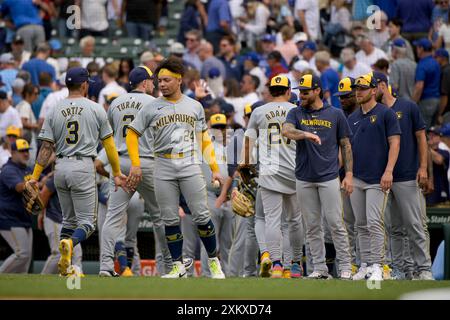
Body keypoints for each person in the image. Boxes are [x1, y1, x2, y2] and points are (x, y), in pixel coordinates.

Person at [125, 57, 225, 279]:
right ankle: (177, 266)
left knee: (201, 215)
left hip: (189, 162)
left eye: (166, 80)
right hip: (162, 163)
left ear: (179, 80)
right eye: (159, 80)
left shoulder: (194, 105)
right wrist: (135, 163)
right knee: (169, 218)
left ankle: (214, 261)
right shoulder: (151, 106)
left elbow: (204, 139)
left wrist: (215, 168)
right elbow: (132, 133)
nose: (161, 84)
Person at [27, 67, 127, 277]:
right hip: (83, 166)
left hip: (60, 169)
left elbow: (46, 147)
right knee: (88, 224)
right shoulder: (95, 108)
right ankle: (70, 244)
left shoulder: (54, 109)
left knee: (69, 221)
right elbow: (109, 146)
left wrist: (35, 177)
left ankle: (66, 266)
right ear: (84, 85)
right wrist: (116, 172)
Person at [99, 66, 174, 277]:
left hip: (122, 161)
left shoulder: (115, 103)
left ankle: (105, 266)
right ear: (144, 83)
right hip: (146, 163)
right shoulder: (154, 102)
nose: (154, 83)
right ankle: (169, 267)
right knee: (160, 216)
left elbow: (110, 138)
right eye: (151, 80)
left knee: (113, 217)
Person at [282, 74, 354, 280]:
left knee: (335, 224)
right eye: (299, 92)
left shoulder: (336, 114)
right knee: (312, 226)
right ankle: (320, 269)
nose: (301, 95)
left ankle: (346, 267)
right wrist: (305, 134)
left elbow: (346, 145)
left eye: (305, 92)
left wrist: (348, 174)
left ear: (317, 91)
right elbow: (286, 131)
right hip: (304, 177)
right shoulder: (296, 112)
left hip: (329, 176)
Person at [375, 71, 434, 280]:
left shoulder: (408, 107)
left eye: (373, 87)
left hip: (407, 175)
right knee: (394, 229)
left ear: (382, 85)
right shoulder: (377, 112)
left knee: (415, 225)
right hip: (382, 179)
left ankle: (424, 269)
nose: (370, 92)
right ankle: (401, 270)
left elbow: (421, 138)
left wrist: (423, 168)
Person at [243, 75, 304, 278]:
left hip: (269, 170)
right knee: (294, 221)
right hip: (295, 169)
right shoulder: (296, 110)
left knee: (272, 220)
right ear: (288, 91)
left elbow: (248, 142)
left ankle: (276, 264)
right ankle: (293, 264)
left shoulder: (259, 111)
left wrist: (245, 165)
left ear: (270, 91)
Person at [348, 74, 401, 281]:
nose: (358, 92)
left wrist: (388, 171)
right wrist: (348, 175)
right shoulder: (352, 117)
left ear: (373, 90)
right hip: (358, 177)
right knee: (360, 224)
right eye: (356, 88)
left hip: (378, 177)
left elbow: (395, 143)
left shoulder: (386, 113)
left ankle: (379, 265)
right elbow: (348, 150)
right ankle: (365, 265)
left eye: (362, 88)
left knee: (374, 222)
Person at [39, 172, 83, 274]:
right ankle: (42, 279)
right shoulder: (58, 176)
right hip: (54, 218)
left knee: (77, 253)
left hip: (70, 221)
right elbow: (44, 194)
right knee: (58, 253)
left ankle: (76, 281)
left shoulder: (80, 177)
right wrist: (41, 214)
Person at [0, 139, 33, 273]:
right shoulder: (8, 169)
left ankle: (21, 291)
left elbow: (42, 181)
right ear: (12, 152)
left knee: (26, 260)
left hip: (23, 218)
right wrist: (33, 183)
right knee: (22, 254)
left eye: (27, 151)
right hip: (8, 218)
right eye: (22, 151)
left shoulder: (27, 169)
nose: (25, 154)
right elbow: (20, 187)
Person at [412, 38, 441, 128]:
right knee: (431, 132)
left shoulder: (422, 64)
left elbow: (419, 86)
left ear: (421, 49)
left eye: (417, 47)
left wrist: (412, 103)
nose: (416, 50)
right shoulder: (435, 62)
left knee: (422, 132)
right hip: (436, 100)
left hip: (426, 101)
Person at [434, 48, 450, 124]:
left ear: (442, 58)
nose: (434, 59)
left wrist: (440, 114)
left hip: (447, 111)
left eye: (436, 57)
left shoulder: (445, 72)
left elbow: (444, 96)